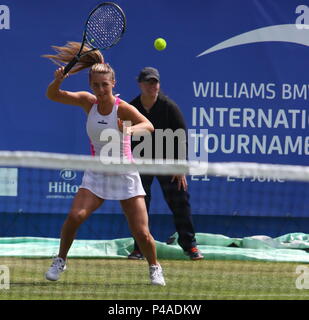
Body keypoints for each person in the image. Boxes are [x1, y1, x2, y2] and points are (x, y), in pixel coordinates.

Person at [43, 43, 165, 286]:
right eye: (96, 85)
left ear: (113, 84)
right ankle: (60, 260)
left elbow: (149, 127)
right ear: (91, 85)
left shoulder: (123, 109)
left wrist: (127, 129)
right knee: (75, 216)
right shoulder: (88, 103)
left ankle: (155, 267)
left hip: (124, 173)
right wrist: (58, 80)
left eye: (104, 84)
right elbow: (53, 95)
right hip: (97, 173)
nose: (100, 89)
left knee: (141, 233)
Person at [128, 67, 203, 261]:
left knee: (179, 201)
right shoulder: (131, 107)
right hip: (141, 162)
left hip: (167, 161)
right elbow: (123, 137)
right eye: (148, 82)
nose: (153, 86)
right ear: (140, 84)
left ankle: (190, 246)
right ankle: (139, 248)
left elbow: (181, 137)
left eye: (155, 82)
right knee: (139, 205)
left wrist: (179, 166)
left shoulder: (169, 107)